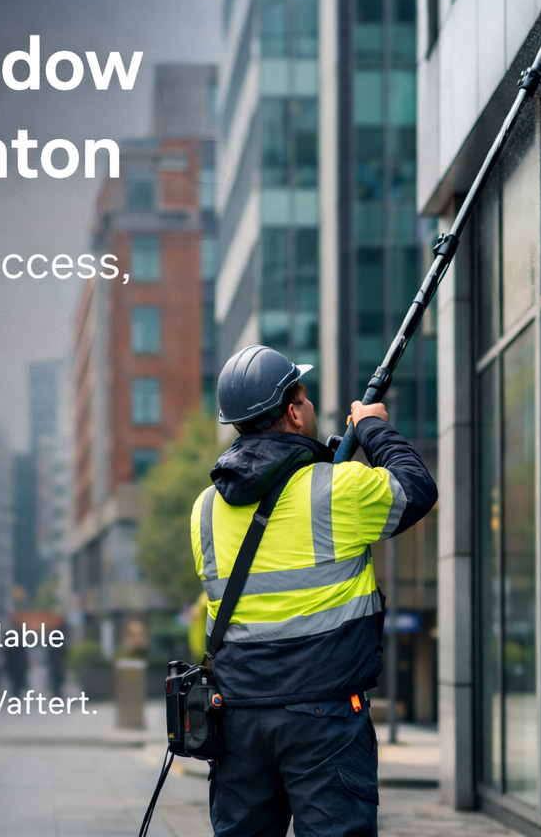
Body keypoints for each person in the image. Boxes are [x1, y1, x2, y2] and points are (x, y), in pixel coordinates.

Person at [191, 345, 437, 837]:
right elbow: (416, 487)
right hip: (323, 716)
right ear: (294, 408)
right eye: (302, 393)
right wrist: (371, 426)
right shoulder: (336, 490)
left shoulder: (203, 511)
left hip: (238, 717)